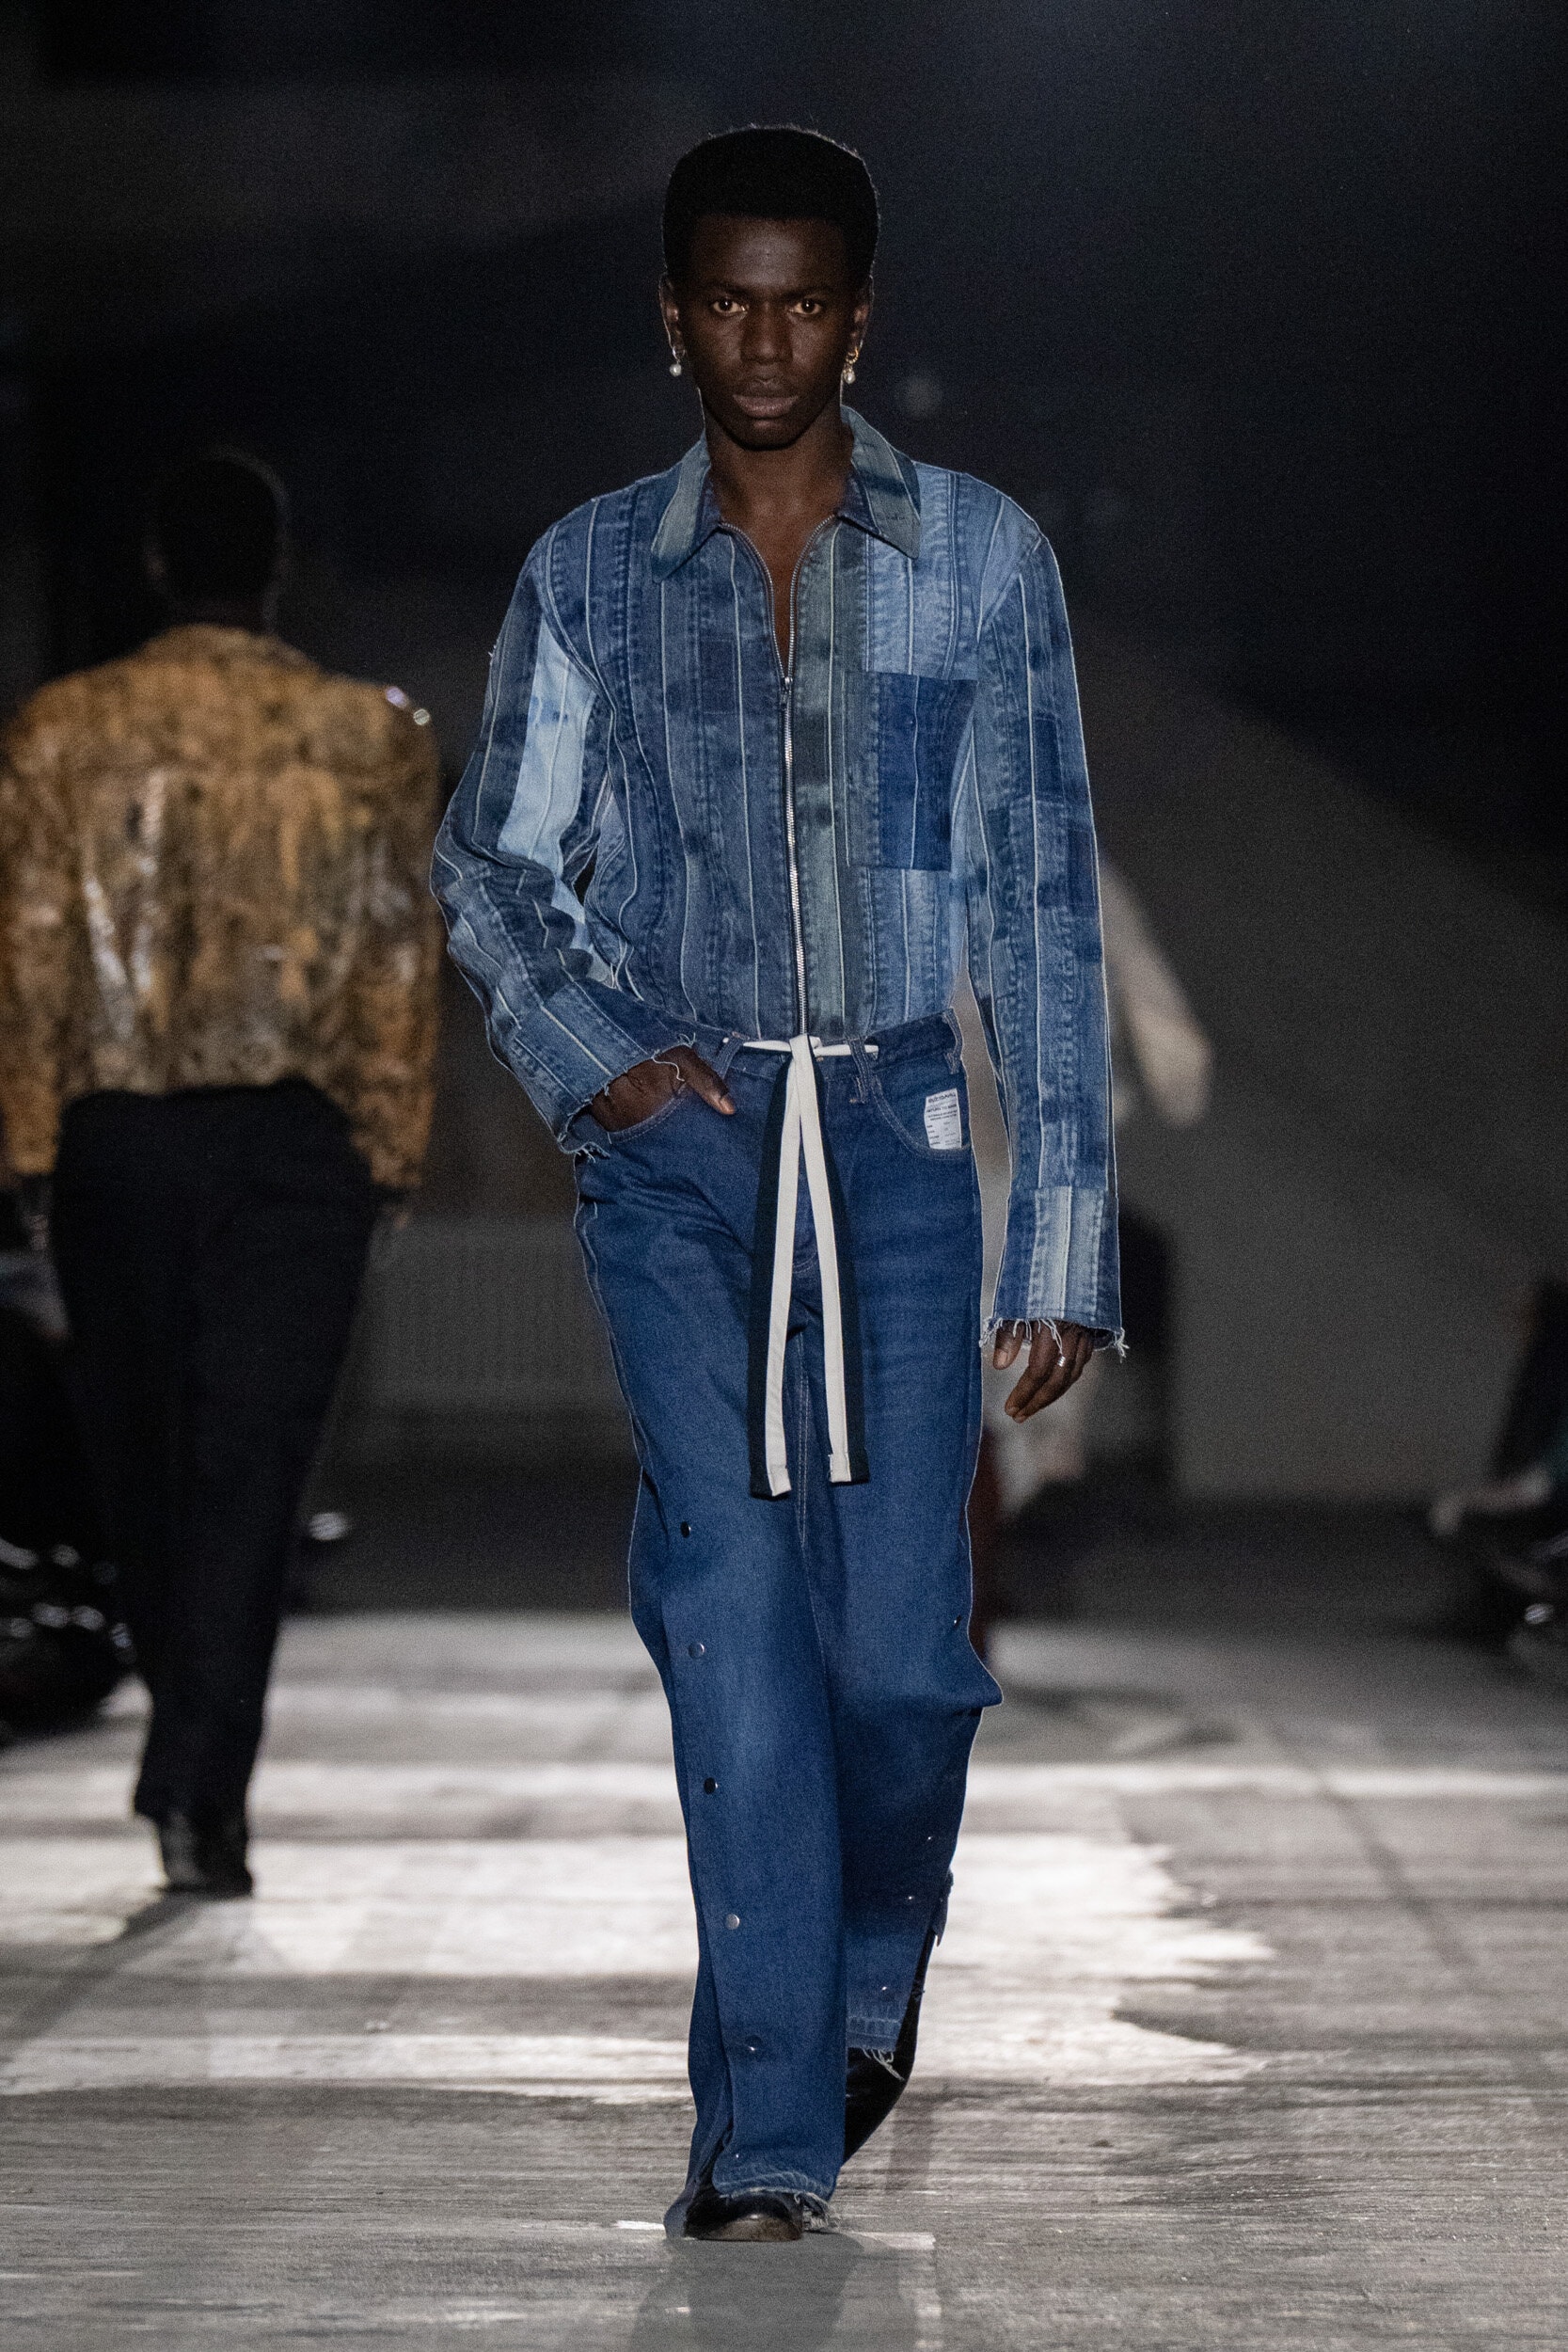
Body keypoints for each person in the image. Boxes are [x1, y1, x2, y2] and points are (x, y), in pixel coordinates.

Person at [434, 127, 1120, 2240]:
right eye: (726, 301)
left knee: (900, 1659)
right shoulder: (585, 575)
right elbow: (491, 865)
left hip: (899, 1145)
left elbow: (1039, 897)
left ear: (857, 315)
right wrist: (607, 1065)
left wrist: (1059, 1228)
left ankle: (856, 1982)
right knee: (728, 1606)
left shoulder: (979, 559)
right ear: (671, 318)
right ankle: (764, 2131)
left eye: (801, 300)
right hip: (683, 1158)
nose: (764, 339)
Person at [0, 451, 442, 1896]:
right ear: (278, 569)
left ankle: (189, 1765)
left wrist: (29, 1145)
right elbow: (397, 951)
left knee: (139, 1460)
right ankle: (203, 1784)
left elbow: (31, 952)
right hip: (297, 1144)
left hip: (116, 1138)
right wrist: (389, 1145)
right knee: (253, 1469)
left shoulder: (62, 731)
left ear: (152, 566)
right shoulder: (367, 735)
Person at [963, 860, 1212, 1650]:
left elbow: (1148, 993)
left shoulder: (1072, 864)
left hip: (1020, 1152)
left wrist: (1176, 1069)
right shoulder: (1059, 861)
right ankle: (968, 1568)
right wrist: (1177, 1074)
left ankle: (977, 1554)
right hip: (991, 1152)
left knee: (1014, 1377)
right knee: (995, 1384)